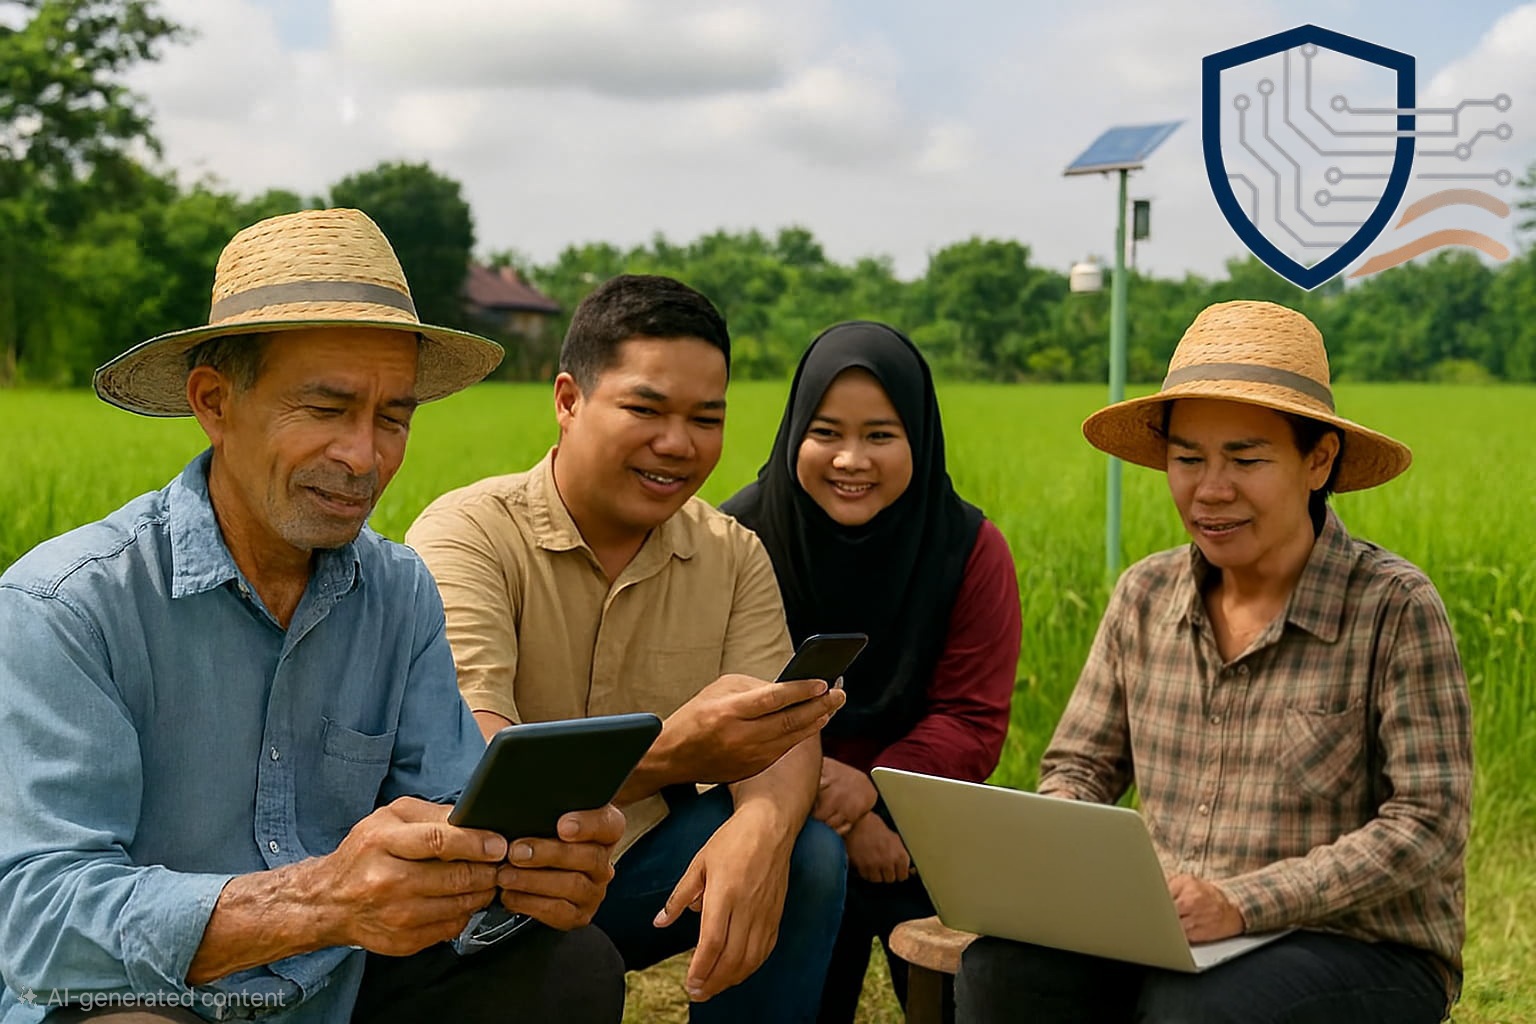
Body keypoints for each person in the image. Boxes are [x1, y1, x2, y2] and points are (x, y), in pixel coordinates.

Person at [0, 209, 627, 1024]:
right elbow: (39, 921)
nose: (364, 457)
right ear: (215, 402)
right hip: (146, 998)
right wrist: (321, 900)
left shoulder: (398, 592)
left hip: (336, 990)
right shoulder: (68, 606)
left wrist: (529, 869)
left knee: (572, 966)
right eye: (326, 410)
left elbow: (450, 809)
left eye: (393, 418)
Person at [956, 300, 1472, 1024]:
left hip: (1358, 944)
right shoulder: (1144, 595)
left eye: (1246, 460)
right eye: (1188, 459)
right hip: (1175, 932)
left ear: (1318, 460)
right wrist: (1066, 845)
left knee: (1194, 1008)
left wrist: (1243, 902)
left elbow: (1427, 822)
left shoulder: (1393, 607)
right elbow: (1080, 766)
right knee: (1001, 970)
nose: (1211, 490)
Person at [404, 274, 849, 1022]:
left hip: (635, 864)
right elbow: (481, 789)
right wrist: (674, 753)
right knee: (565, 961)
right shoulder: (470, 535)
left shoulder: (731, 553)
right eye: (646, 409)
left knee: (805, 853)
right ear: (568, 401)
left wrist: (761, 828)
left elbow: (784, 725)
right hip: (493, 885)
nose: (677, 444)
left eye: (706, 419)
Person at [720, 321, 1021, 1022]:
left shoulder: (969, 549)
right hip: (775, 804)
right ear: (795, 431)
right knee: (808, 875)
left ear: (919, 436)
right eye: (826, 432)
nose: (851, 459)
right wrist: (843, 816)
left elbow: (971, 719)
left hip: (924, 805)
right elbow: (724, 702)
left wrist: (876, 789)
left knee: (966, 980)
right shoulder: (737, 541)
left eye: (881, 435)